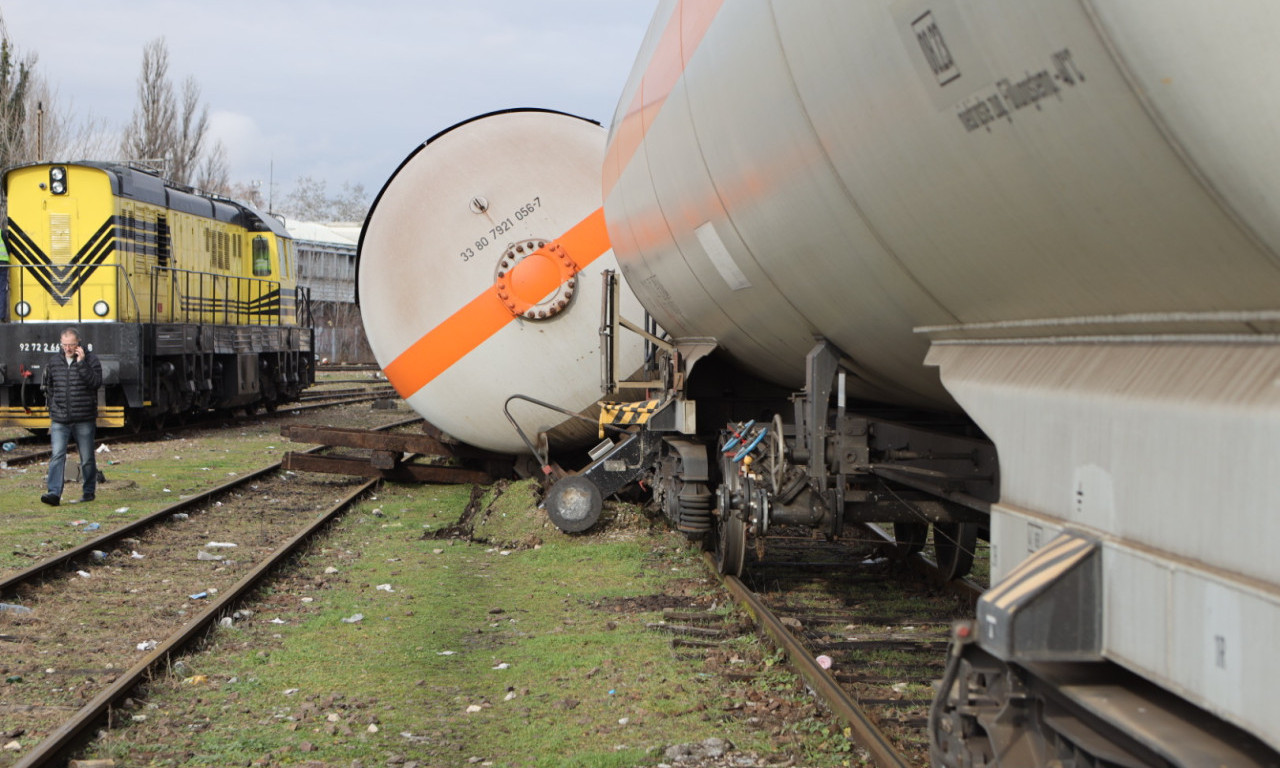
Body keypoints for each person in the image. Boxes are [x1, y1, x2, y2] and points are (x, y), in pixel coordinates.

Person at [40, 328, 102, 506]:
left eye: (71, 345)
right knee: (57, 455)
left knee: (87, 458)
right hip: (60, 418)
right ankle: (53, 493)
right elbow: (50, 386)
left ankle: (88, 492)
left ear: (78, 343)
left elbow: (96, 383)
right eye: (65, 345)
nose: (68, 348)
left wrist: (82, 364)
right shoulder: (54, 362)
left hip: (84, 417)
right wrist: (54, 406)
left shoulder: (91, 360)